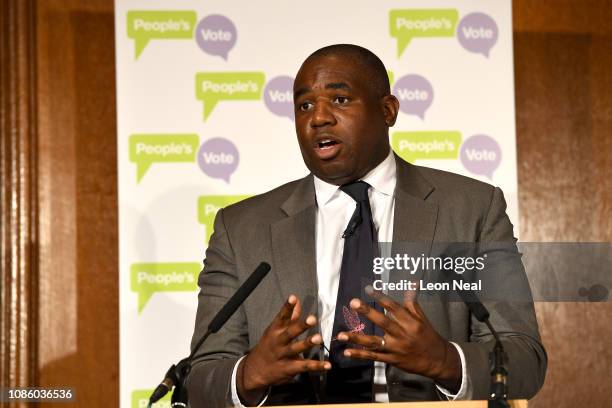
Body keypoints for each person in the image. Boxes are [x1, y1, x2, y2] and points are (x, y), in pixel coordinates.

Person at [186, 44, 547, 407]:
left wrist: (445, 361)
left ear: (388, 111)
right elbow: (199, 378)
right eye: (304, 105)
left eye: (340, 99)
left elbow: (523, 359)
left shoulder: (471, 210)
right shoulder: (241, 228)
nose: (319, 118)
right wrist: (249, 375)